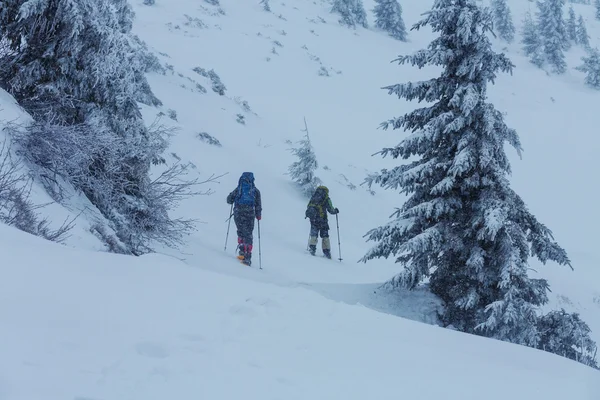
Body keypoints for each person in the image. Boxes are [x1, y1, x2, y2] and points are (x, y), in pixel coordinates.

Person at [227, 172, 262, 266]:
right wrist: (258, 215)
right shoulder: (255, 191)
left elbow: (229, 200)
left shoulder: (238, 189)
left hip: (238, 213)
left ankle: (242, 252)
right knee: (248, 234)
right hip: (249, 214)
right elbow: (258, 205)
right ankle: (248, 256)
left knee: (241, 232)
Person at [305, 185, 338, 259]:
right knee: (325, 236)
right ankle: (326, 253)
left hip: (313, 219)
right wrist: (335, 211)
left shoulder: (314, 197)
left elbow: (308, 206)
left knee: (314, 234)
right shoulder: (326, 198)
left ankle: (312, 249)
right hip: (323, 220)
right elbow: (331, 210)